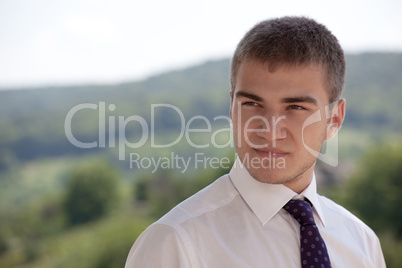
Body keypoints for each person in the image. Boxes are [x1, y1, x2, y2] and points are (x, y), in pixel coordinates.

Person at [125, 16, 386, 267]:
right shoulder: (174, 243)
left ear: (334, 119)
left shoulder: (363, 245)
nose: (269, 130)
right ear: (231, 108)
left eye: (295, 107)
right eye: (251, 103)